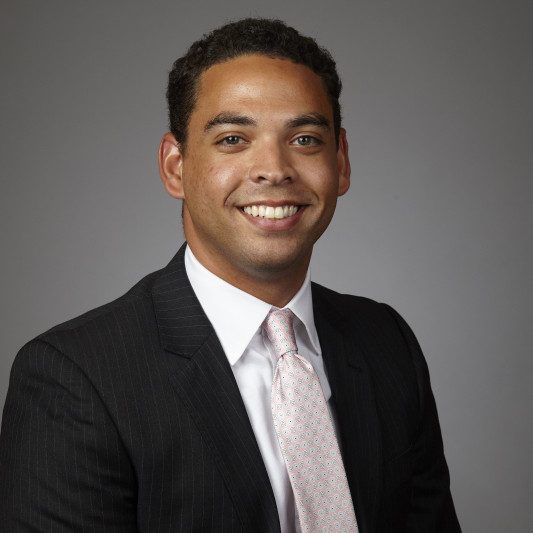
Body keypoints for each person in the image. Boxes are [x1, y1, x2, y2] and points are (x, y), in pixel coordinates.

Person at [0, 18, 461, 533]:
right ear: (176, 166)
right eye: (234, 138)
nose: (274, 169)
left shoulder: (386, 343)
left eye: (305, 138)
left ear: (342, 162)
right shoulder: (74, 378)